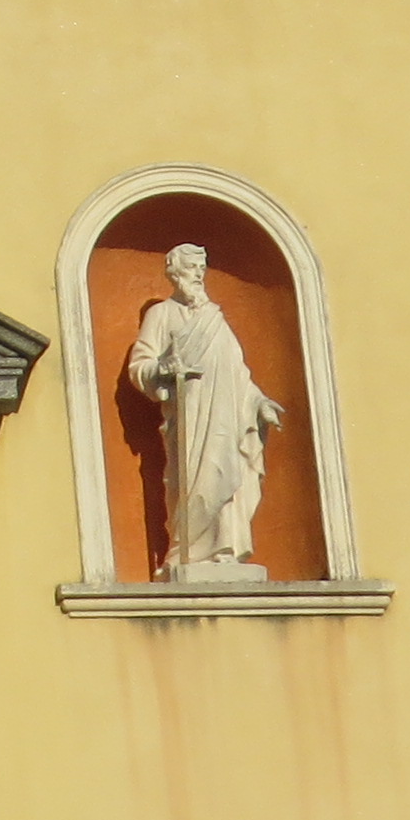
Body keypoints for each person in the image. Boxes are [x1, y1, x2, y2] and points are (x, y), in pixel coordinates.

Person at [126, 243, 285, 575]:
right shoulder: (161, 315)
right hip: (190, 416)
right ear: (176, 271)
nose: (200, 273)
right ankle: (186, 553)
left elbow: (238, 374)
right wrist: (164, 368)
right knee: (191, 483)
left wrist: (259, 403)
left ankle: (225, 551)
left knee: (227, 475)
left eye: (202, 267)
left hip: (226, 418)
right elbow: (139, 366)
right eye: (193, 267)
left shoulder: (215, 319)